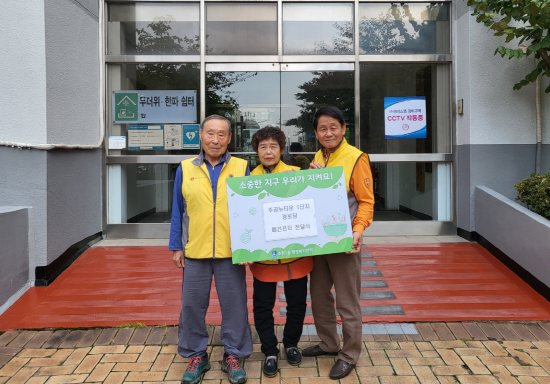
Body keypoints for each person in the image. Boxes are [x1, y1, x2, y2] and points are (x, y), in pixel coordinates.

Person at [169, 115, 253, 384]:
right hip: (195, 250)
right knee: (192, 305)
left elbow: (250, 211)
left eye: (221, 134)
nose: (215, 139)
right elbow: (178, 211)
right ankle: (197, 355)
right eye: (210, 133)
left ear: (229, 138)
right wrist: (176, 246)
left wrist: (247, 246)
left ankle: (233, 355)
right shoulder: (185, 167)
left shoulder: (241, 167)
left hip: (232, 252)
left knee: (235, 306)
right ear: (201, 135)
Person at [302, 106, 374, 380]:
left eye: (334, 127)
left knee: (347, 300)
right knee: (319, 296)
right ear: (316, 133)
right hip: (319, 241)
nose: (328, 132)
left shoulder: (356, 157)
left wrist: (358, 230)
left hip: (344, 241)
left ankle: (349, 354)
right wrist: (311, 177)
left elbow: (366, 201)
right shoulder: (319, 157)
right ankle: (329, 343)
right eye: (323, 128)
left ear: (344, 129)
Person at [249, 126, 314, 377]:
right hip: (263, 257)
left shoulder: (297, 175)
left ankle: (290, 344)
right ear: (256, 151)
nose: (268, 151)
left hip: (295, 254)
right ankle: (269, 351)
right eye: (263, 147)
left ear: (281, 149)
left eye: (273, 146)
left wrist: (321, 175)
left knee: (296, 303)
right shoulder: (246, 180)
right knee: (263, 305)